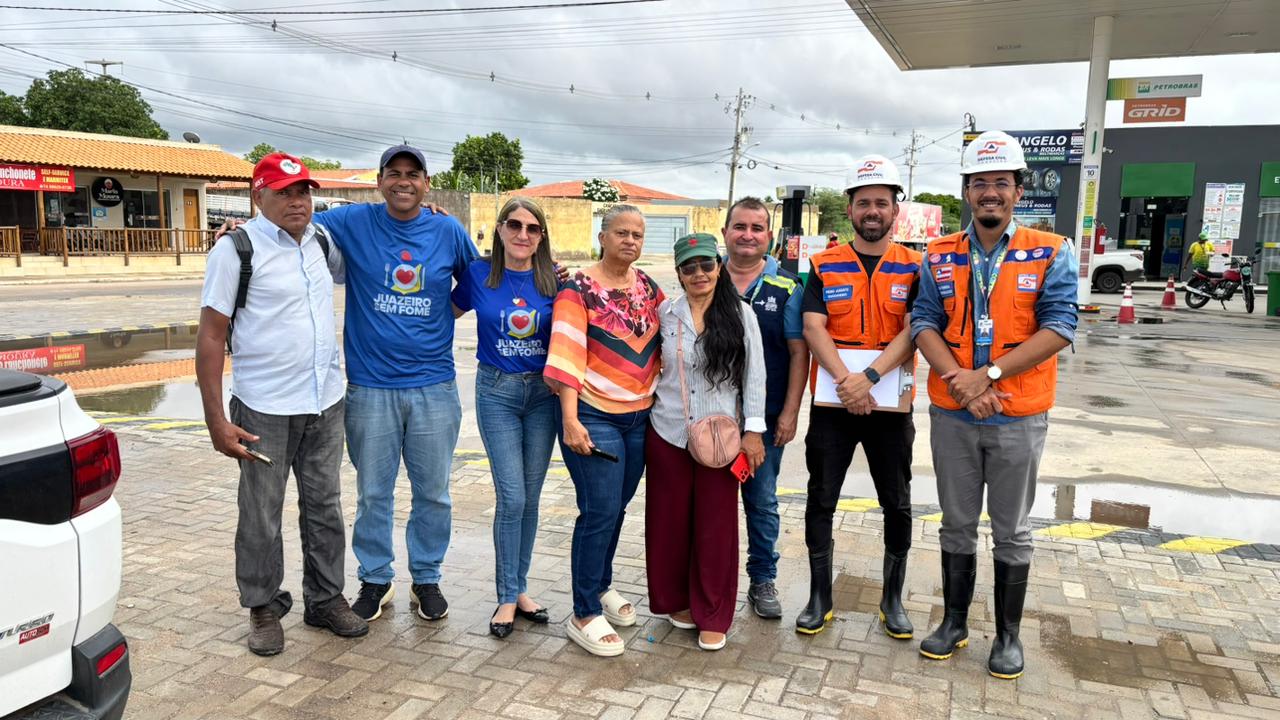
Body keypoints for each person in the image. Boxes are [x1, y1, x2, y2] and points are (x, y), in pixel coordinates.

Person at [910, 130, 1078, 680]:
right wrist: (961, 381)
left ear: (1018, 189)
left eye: (1000, 183)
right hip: (953, 411)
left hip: (1019, 413)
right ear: (965, 191)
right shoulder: (938, 253)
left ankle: (1007, 636)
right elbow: (923, 322)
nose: (989, 193)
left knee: (1012, 529)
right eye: (979, 183)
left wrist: (990, 376)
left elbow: (1060, 326)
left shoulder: (1051, 250)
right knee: (956, 523)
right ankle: (955, 623)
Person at [195, 152, 367, 656]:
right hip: (264, 406)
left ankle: (325, 599)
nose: (298, 201)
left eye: (304, 192)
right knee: (261, 513)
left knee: (325, 506)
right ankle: (263, 606)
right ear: (258, 195)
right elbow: (210, 337)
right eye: (285, 191)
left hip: (324, 401)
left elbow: (369, 233)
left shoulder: (321, 241)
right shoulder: (236, 250)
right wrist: (216, 421)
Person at [312, 145, 479, 624]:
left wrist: (449, 310)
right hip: (370, 387)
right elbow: (302, 224)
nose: (403, 181)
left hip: (434, 386)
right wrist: (244, 231)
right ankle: (375, 579)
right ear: (381, 180)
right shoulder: (353, 221)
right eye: (394, 173)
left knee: (433, 492)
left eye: (413, 174)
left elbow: (478, 279)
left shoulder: (447, 228)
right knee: (373, 492)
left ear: (427, 183)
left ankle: (426, 578)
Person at [796, 155, 921, 638]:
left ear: (895, 211)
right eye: (864, 202)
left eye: (882, 203)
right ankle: (819, 595)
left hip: (890, 404)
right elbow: (813, 326)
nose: (873, 210)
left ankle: (893, 599)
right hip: (834, 404)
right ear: (850, 209)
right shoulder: (823, 264)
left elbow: (915, 329)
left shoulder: (915, 266)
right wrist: (848, 381)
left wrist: (866, 377)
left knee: (898, 501)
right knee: (820, 497)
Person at [544, 204, 664, 657]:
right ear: (603, 235)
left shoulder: (648, 286)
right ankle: (583, 611)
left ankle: (601, 584)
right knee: (598, 510)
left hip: (640, 417)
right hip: (593, 415)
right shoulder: (578, 288)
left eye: (637, 234)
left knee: (617, 507)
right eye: (621, 233)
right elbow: (568, 354)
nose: (630, 241)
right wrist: (571, 420)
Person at [645, 233, 768, 651]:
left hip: (721, 440)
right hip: (669, 431)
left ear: (718, 266)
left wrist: (754, 432)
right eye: (689, 267)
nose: (699, 273)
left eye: (706, 264)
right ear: (679, 273)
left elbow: (755, 378)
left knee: (715, 528)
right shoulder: (665, 312)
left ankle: (713, 611)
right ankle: (677, 600)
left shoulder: (740, 314)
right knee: (669, 523)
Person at [451, 198, 558, 638]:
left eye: (533, 229)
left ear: (541, 237)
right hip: (496, 393)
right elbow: (444, 314)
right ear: (498, 229)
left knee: (531, 498)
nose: (523, 234)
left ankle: (521, 587)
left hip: (543, 395)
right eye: (514, 225)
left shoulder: (555, 281)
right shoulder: (479, 274)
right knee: (511, 497)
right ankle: (506, 596)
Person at [719, 197, 807, 619]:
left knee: (762, 500)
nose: (748, 235)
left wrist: (790, 413)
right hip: (710, 422)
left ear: (769, 236)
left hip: (766, 421)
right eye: (740, 226)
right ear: (726, 233)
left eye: (757, 228)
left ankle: (762, 579)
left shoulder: (787, 287)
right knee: (711, 503)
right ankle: (711, 580)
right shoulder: (705, 278)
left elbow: (798, 353)